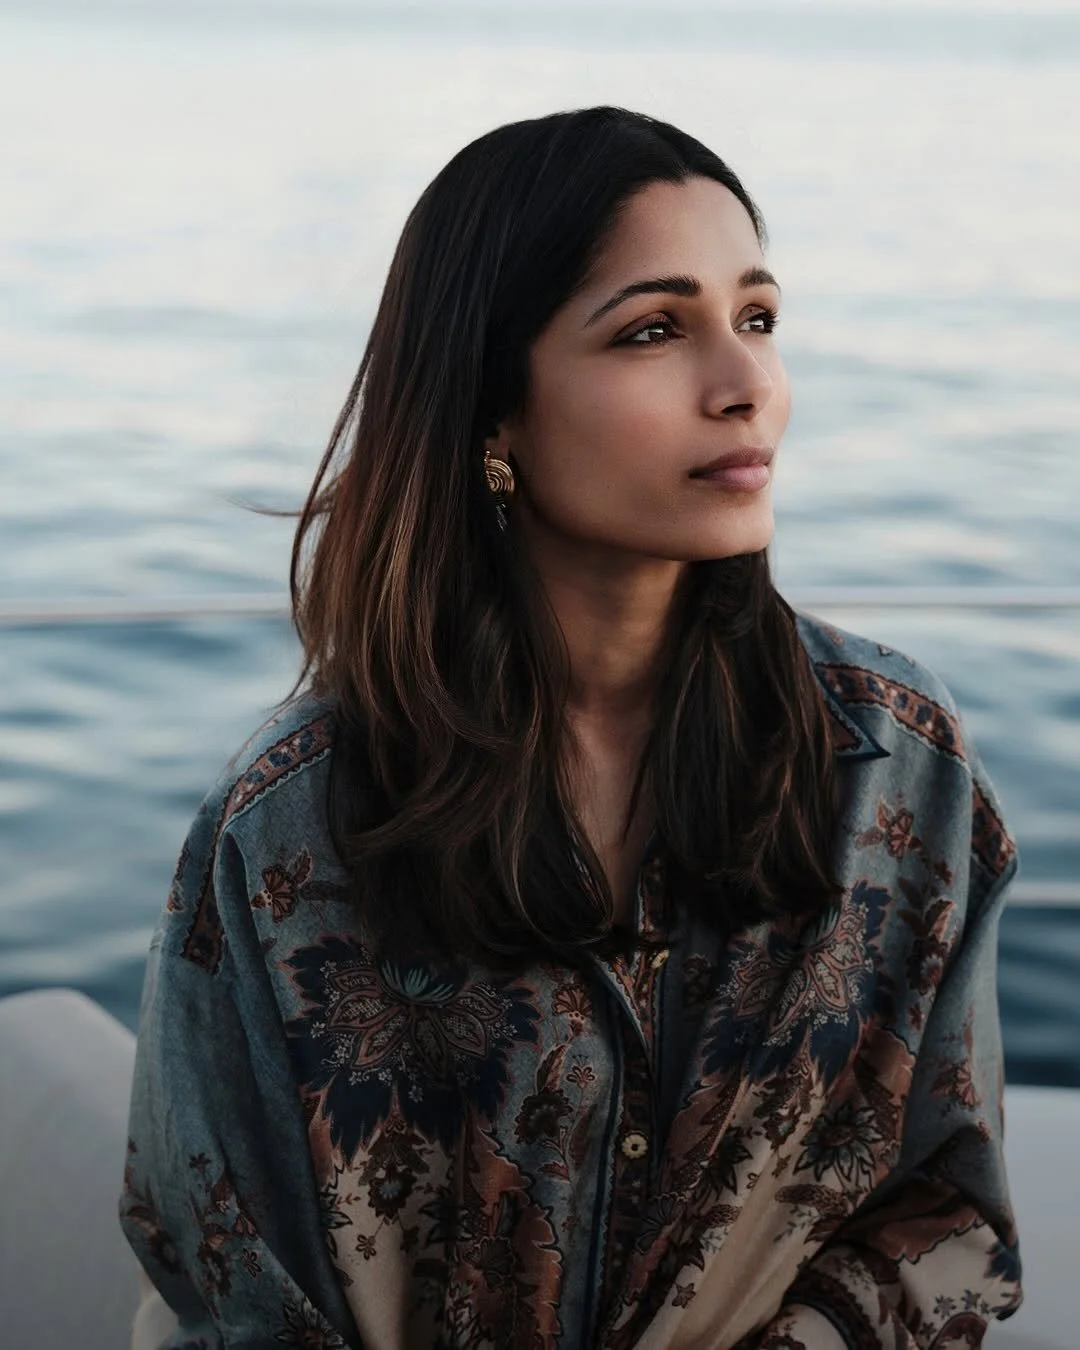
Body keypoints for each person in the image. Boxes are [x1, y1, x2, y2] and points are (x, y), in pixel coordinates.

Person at [119, 106, 1022, 1350]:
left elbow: (941, 1214)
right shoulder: (288, 832)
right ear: (495, 411)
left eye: (757, 318)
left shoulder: (899, 769)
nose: (746, 385)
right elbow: (230, 1270)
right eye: (656, 330)